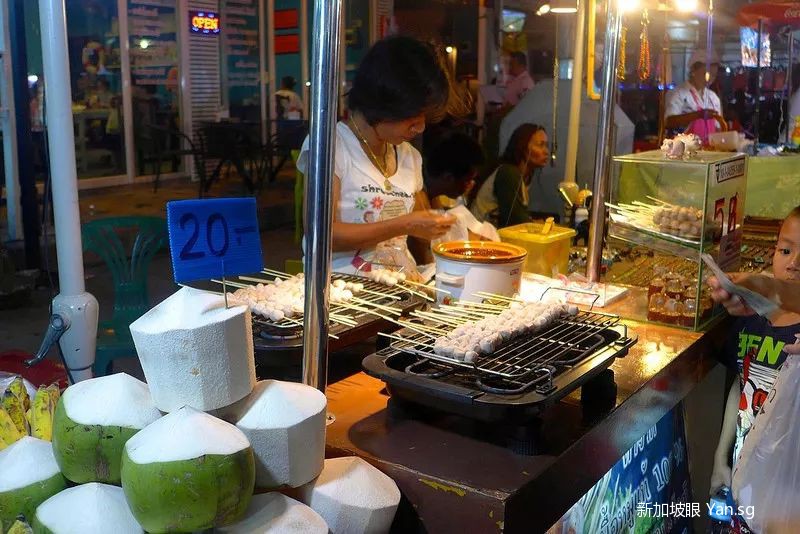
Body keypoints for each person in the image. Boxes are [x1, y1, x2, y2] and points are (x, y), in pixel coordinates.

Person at [297, 36, 457, 278]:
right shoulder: (331, 146)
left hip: (400, 287)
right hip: (340, 288)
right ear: (384, 102)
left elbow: (420, 236)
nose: (421, 127)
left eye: (425, 117)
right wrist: (406, 224)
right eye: (413, 116)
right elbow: (321, 235)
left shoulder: (409, 156)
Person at [709, 205, 800, 505]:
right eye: (785, 251)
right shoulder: (751, 320)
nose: (794, 264)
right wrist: (721, 455)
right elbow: (742, 383)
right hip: (742, 476)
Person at [470, 123, 549, 228]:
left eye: (546, 146)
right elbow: (515, 221)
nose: (546, 151)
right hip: (479, 233)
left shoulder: (525, 177)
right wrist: (535, 225)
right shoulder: (508, 173)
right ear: (523, 146)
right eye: (540, 145)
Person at [664, 49, 724, 143]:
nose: (709, 79)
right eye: (706, 74)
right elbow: (669, 121)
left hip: (709, 149)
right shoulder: (678, 93)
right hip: (684, 148)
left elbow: (718, 128)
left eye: (713, 75)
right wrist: (698, 115)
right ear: (693, 71)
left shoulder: (713, 97)